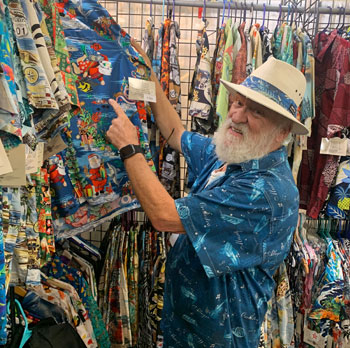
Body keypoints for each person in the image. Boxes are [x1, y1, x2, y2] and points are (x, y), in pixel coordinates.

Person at [106, 39, 308, 348]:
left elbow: (163, 216)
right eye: (238, 102)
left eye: (255, 111)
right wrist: (147, 74)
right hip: (184, 329)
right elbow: (176, 133)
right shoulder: (232, 154)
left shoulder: (267, 193)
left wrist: (130, 148)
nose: (238, 115)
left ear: (281, 132)